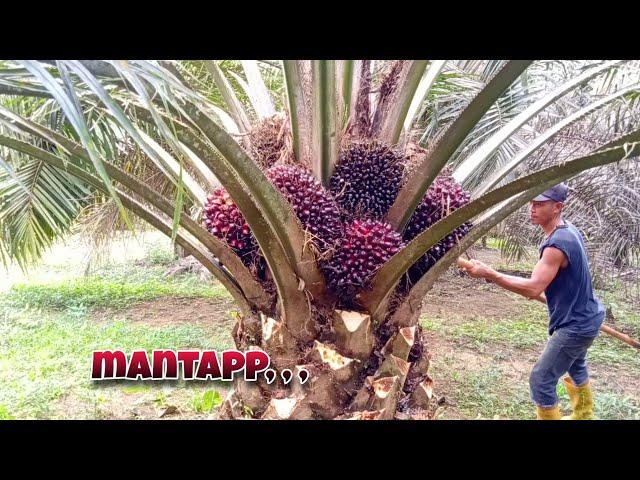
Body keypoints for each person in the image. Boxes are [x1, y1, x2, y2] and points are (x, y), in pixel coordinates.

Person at [463, 183, 604, 420]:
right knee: (576, 365)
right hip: (588, 316)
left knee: (541, 379)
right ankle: (584, 415)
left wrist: (492, 274)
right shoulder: (568, 231)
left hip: (576, 325)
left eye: (540, 204)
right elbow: (552, 284)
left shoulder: (556, 246)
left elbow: (533, 288)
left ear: (558, 207)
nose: (532, 208)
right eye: (532, 203)